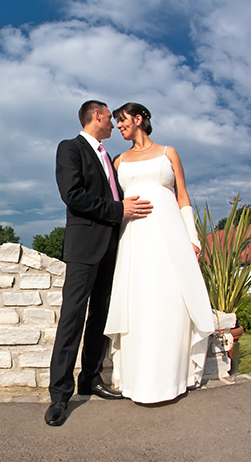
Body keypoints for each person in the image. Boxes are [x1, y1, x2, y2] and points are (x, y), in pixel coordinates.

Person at [45, 100, 153, 427]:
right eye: (110, 118)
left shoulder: (111, 157)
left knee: (101, 318)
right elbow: (73, 195)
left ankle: (90, 378)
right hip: (84, 247)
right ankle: (60, 397)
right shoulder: (70, 148)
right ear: (96, 116)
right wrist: (119, 211)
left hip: (111, 247)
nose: (113, 124)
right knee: (72, 318)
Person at [104, 102, 214, 404]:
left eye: (123, 120)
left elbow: (182, 195)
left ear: (139, 119)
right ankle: (137, 380)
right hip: (135, 238)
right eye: (116, 122)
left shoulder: (169, 153)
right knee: (138, 302)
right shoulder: (118, 161)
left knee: (171, 300)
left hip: (170, 235)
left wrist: (193, 237)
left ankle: (171, 379)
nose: (120, 126)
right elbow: (113, 201)